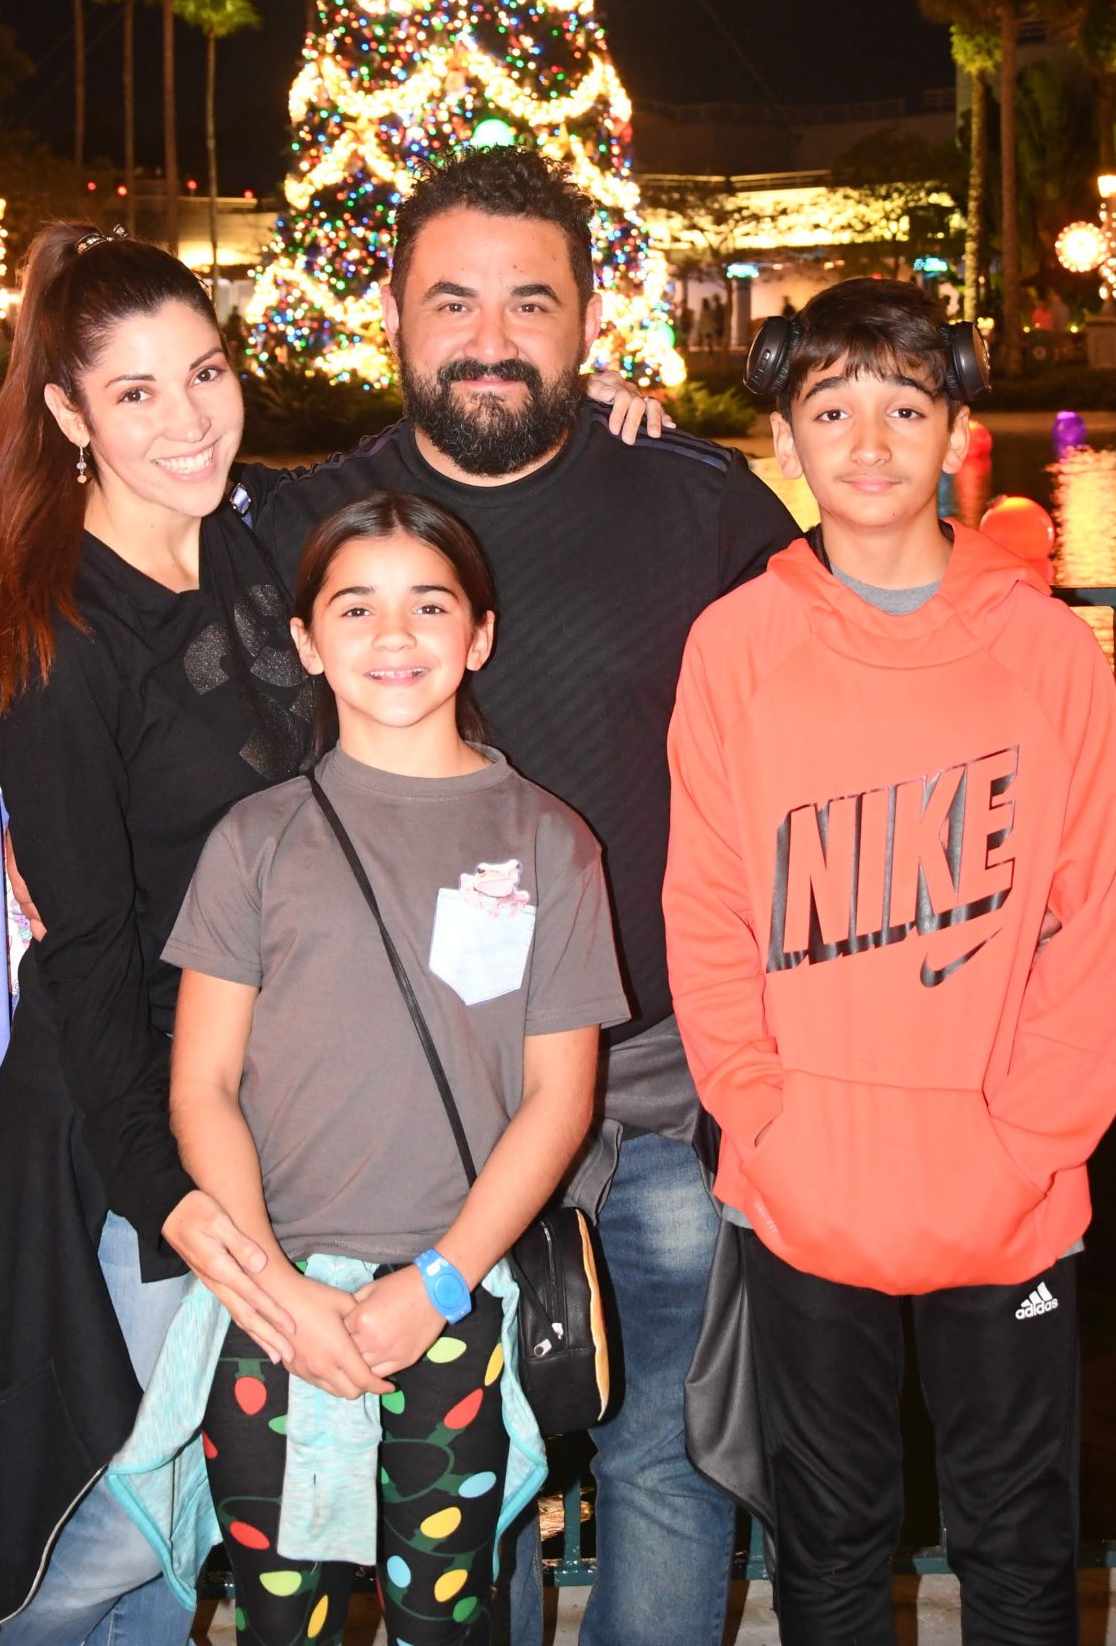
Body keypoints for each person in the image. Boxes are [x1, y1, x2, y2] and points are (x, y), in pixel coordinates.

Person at [0, 222, 658, 1646]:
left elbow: (433, 476)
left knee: (235, 1524)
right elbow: (84, 966)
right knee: (118, 1532)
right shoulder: (65, 642)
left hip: (303, 1108)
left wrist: (607, 418)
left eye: (203, 372)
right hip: (154, 1135)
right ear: (69, 415)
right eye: (133, 394)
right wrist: (206, 1236)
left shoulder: (262, 529)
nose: (185, 420)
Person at [252, 146, 799, 1646]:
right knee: (461, 1467)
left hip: (656, 1081)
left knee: (673, 1458)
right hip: (424, 1104)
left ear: (584, 320)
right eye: (452, 301)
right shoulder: (306, 521)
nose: (490, 339)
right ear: (393, 316)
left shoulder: (700, 509)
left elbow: (853, 678)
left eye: (529, 303)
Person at [664, 277, 1116, 1645]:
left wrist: (1029, 1134)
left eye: (902, 405)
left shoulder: (1045, 651)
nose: (867, 440)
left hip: (1007, 1191)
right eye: (831, 408)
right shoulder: (734, 648)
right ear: (784, 442)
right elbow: (703, 905)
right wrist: (761, 1110)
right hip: (802, 1185)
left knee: (1015, 1543)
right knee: (826, 1545)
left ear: (953, 432)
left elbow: (1097, 915)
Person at [164, 492, 630, 1642]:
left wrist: (435, 1283)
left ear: (477, 633)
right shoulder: (253, 838)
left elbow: (559, 1094)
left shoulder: (547, 839)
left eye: (428, 605)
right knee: (288, 1621)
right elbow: (200, 1085)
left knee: (450, 1613)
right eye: (355, 607)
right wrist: (277, 1294)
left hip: (455, 1299)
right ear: (308, 641)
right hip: (275, 1306)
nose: (393, 636)